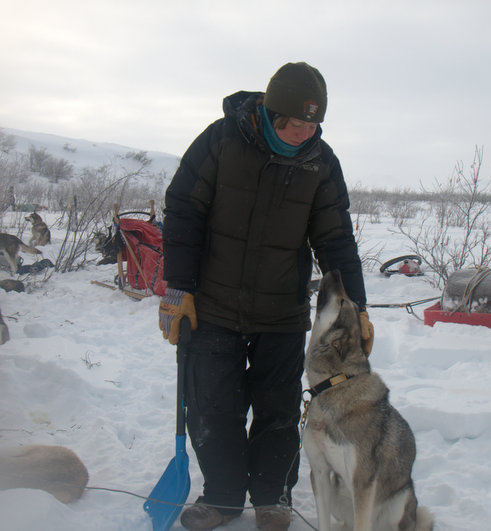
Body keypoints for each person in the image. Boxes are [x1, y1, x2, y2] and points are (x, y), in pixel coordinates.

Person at [159, 62, 374, 531]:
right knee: (214, 405)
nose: (302, 133)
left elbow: (335, 241)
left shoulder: (321, 163)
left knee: (277, 410)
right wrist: (178, 289)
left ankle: (273, 497)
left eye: (312, 123)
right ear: (269, 112)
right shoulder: (220, 141)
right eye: (293, 122)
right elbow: (182, 211)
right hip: (213, 306)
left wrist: (354, 310)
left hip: (280, 311)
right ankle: (221, 496)